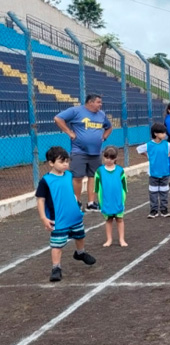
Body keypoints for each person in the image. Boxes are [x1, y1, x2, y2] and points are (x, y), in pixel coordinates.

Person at [36, 146, 96, 282]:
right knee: (57, 245)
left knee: (80, 235)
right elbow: (40, 200)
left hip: (74, 215)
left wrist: (76, 203)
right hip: (59, 219)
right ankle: (56, 268)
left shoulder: (69, 175)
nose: (65, 165)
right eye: (61, 162)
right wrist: (43, 218)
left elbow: (71, 192)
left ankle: (80, 253)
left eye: (67, 162)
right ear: (51, 163)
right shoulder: (46, 180)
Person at [54, 94, 112, 212]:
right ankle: (76, 202)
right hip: (79, 151)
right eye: (98, 102)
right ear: (90, 102)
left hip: (95, 153)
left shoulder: (101, 115)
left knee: (93, 177)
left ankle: (91, 203)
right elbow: (58, 118)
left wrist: (104, 137)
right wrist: (70, 133)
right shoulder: (76, 111)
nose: (100, 105)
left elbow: (109, 127)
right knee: (77, 177)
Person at [137, 123, 170, 218]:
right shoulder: (149, 145)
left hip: (164, 172)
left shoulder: (166, 144)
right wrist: (148, 156)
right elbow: (138, 149)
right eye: (162, 133)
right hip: (153, 173)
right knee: (153, 192)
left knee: (164, 192)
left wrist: (168, 155)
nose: (165, 135)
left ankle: (164, 210)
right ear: (156, 134)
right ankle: (153, 210)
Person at [94, 146, 127, 247]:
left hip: (118, 199)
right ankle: (109, 239)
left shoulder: (120, 170)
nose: (109, 160)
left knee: (119, 219)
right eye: (106, 157)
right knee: (108, 220)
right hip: (106, 200)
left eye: (111, 158)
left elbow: (124, 187)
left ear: (116, 158)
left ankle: (122, 239)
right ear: (103, 157)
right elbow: (97, 188)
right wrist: (100, 201)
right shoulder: (99, 171)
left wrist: (123, 199)